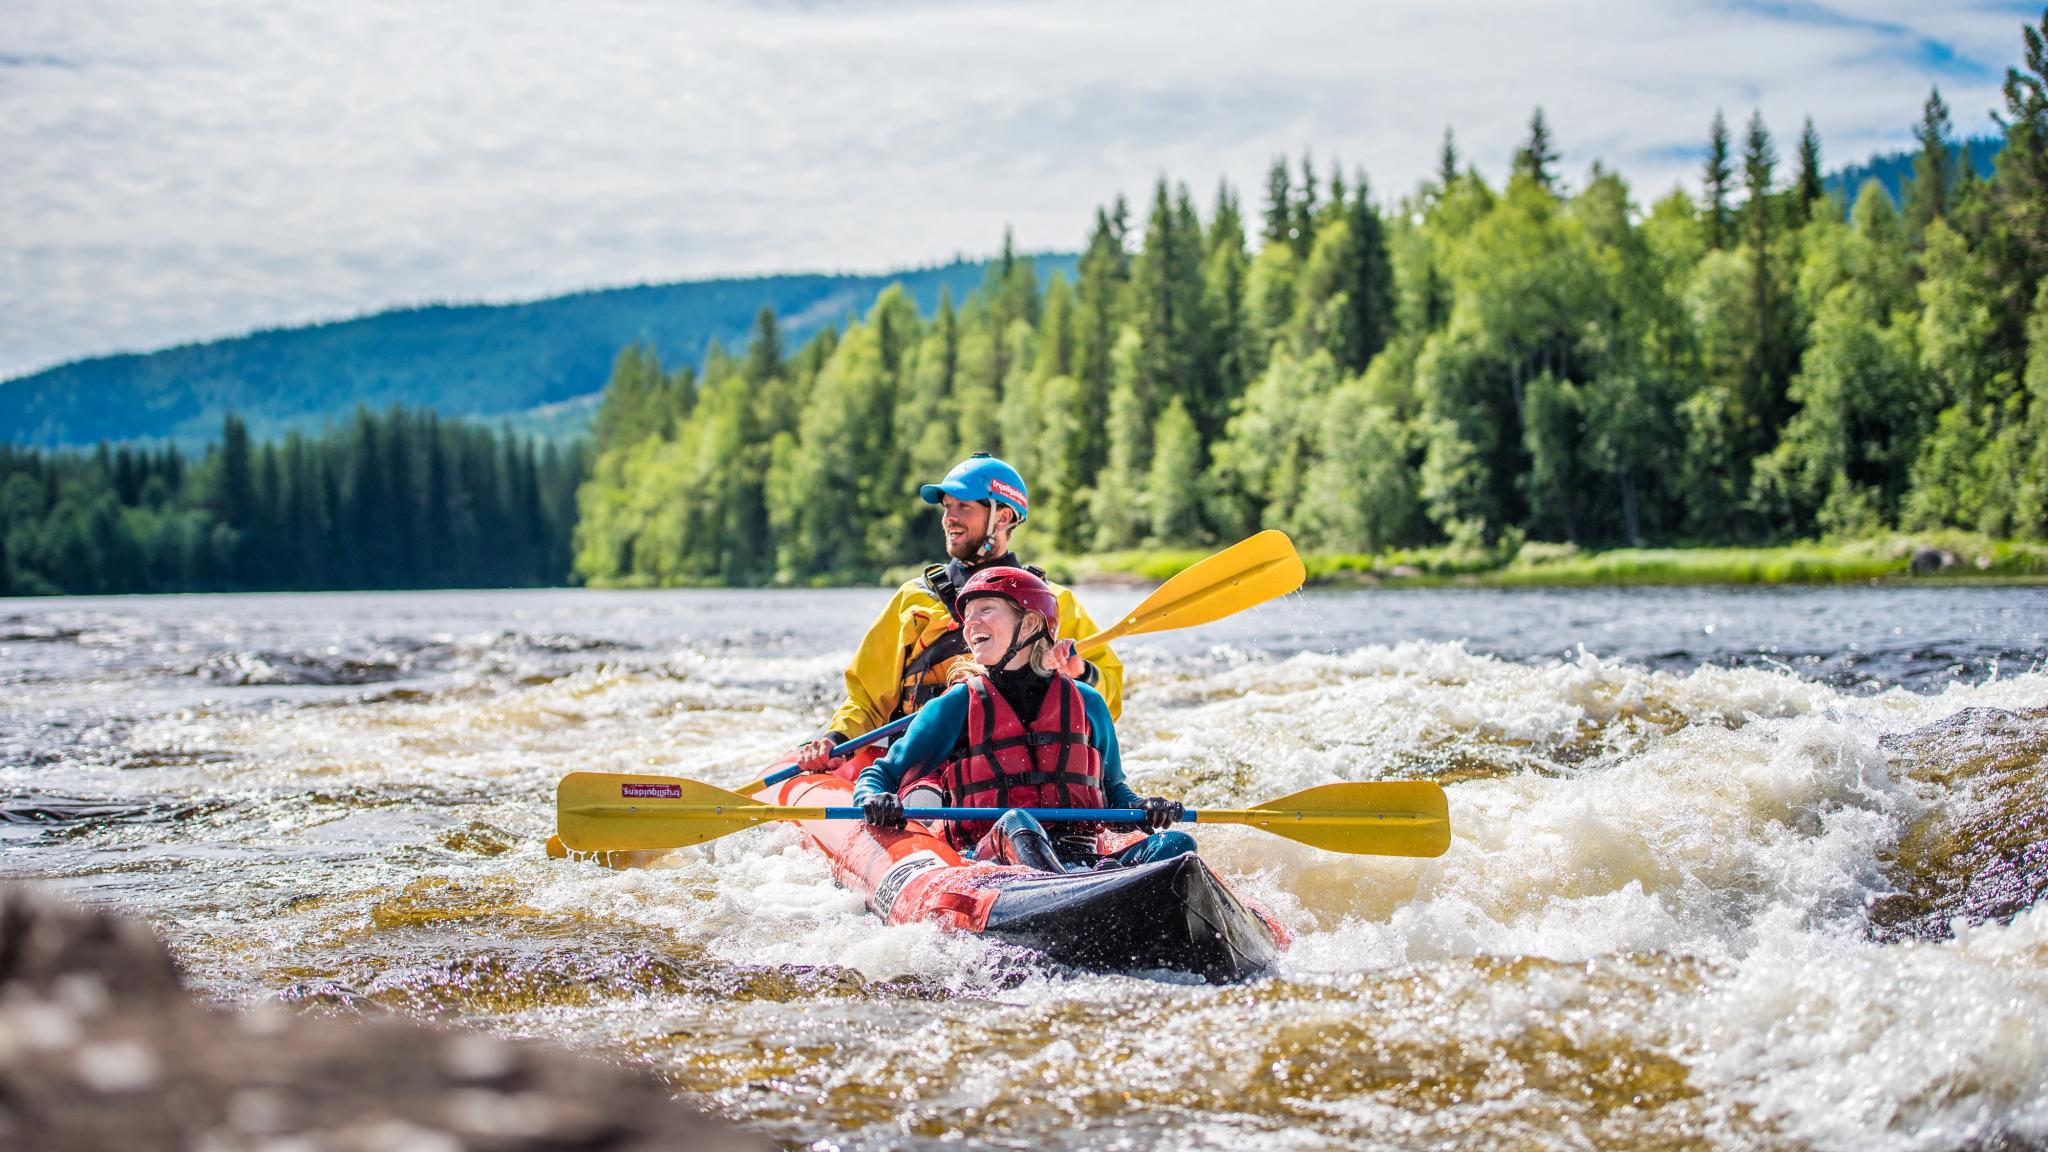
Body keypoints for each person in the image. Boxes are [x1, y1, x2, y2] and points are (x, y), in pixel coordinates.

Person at [848, 566, 1192, 871]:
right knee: (1018, 822)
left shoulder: (1087, 703)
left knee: (1177, 846)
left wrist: (1144, 809)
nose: (970, 623)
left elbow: (1115, 790)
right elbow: (882, 774)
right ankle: (1068, 894)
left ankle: (1083, 890)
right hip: (990, 859)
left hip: (1080, 860)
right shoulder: (957, 705)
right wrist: (872, 799)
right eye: (968, 614)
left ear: (1029, 623)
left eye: (986, 610)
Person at [793, 453, 1124, 771]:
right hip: (930, 768)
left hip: (1027, 766)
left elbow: (1108, 699)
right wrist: (836, 738)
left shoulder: (1053, 602)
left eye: (963, 506)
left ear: (1003, 517)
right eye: (947, 507)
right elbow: (867, 697)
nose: (948, 517)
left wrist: (1081, 674)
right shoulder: (915, 600)